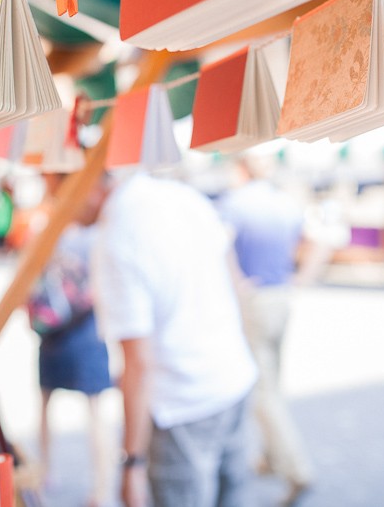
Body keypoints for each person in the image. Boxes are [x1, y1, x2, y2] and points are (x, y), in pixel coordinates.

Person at [91, 173, 258, 507]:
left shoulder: (117, 234)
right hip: (232, 377)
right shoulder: (183, 195)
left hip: (182, 402)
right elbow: (234, 279)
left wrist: (132, 463)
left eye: (52, 185)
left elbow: (138, 363)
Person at [218, 155, 315, 503]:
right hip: (281, 296)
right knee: (273, 381)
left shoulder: (234, 203)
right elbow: (315, 240)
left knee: (262, 391)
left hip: (255, 299)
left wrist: (236, 283)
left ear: (240, 169)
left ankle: (297, 469)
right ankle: (272, 458)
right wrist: (300, 278)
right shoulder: (284, 202)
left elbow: (221, 248)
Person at [26, 173, 112, 507]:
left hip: (54, 332)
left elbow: (28, 280)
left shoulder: (46, 229)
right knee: (95, 411)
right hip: (86, 331)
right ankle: (101, 488)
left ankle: (47, 473)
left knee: (46, 405)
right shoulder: (94, 235)